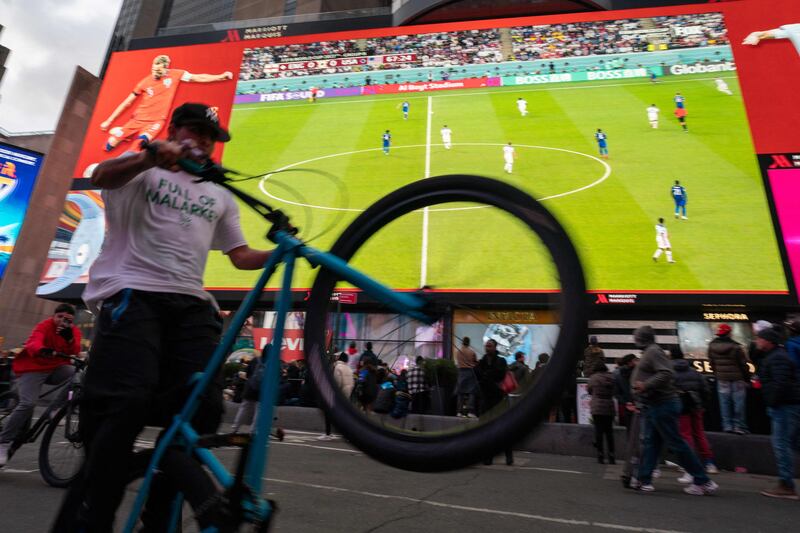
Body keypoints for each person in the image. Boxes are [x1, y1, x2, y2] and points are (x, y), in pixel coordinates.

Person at [53, 103, 273, 532]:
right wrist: (150, 156)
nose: (203, 140)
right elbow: (101, 176)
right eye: (194, 130)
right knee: (127, 402)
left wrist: (279, 253)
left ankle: (160, 513)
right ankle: (91, 515)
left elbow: (241, 255)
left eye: (211, 136)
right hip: (133, 294)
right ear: (174, 131)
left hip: (191, 305)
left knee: (204, 413)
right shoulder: (143, 170)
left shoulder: (219, 195)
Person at [629, 326, 717, 495]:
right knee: (651, 444)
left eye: (636, 337)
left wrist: (645, 385)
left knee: (676, 443)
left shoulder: (653, 352)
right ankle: (643, 480)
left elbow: (666, 373)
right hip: (655, 404)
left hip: (663, 404)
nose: (635, 340)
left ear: (642, 338)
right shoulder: (651, 351)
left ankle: (703, 481)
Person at [0, 304, 81, 467]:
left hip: (55, 369)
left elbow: (76, 350)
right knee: (28, 403)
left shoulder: (72, 331)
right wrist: (42, 349)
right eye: (60, 317)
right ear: (54, 316)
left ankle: (55, 410)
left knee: (77, 374)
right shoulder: (44, 325)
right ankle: (3, 443)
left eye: (68, 320)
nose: (62, 322)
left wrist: (69, 338)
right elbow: (33, 342)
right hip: (32, 368)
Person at [100, 55, 233, 152]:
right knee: (110, 144)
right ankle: (121, 134)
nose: (155, 72)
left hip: (156, 121)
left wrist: (220, 76)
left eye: (158, 70)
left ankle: (125, 167)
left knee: (139, 145)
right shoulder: (144, 82)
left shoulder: (175, 74)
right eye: (153, 69)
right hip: (138, 119)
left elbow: (197, 77)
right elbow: (127, 103)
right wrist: (108, 121)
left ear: (166, 68)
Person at [756, 326, 800, 499]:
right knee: (787, 444)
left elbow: (781, 383)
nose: (757, 342)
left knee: (782, 444)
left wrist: (772, 401)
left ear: (768, 341)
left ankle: (786, 484)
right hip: (786, 405)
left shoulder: (778, 358)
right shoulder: (776, 356)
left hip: (784, 406)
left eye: (760, 339)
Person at [671, 347, 718, 479]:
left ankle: (690, 464)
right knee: (699, 434)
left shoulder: (670, 372)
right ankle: (710, 463)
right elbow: (705, 389)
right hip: (696, 406)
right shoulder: (694, 371)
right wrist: (702, 403)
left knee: (685, 435)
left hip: (681, 408)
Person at [707, 323, 750, 434]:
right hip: (737, 379)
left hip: (722, 379)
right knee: (738, 403)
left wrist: (717, 374)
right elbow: (743, 364)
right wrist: (747, 378)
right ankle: (739, 426)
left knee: (724, 403)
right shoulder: (736, 347)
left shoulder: (711, 346)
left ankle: (727, 426)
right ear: (730, 333)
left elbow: (711, 364)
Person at [476, 339, 513, 465]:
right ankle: (488, 456)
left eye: (490, 346)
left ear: (495, 347)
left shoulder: (501, 360)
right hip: (486, 398)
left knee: (503, 428)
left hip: (499, 398)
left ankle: (509, 455)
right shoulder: (482, 362)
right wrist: (482, 373)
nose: (487, 348)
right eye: (486, 346)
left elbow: (500, 374)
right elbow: (478, 376)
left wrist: (487, 374)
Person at [588, 360, 616, 464]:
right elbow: (615, 390)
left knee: (599, 431)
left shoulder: (593, 378)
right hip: (609, 406)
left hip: (597, 407)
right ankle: (612, 455)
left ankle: (600, 455)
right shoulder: (612, 377)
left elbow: (589, 390)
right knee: (609, 432)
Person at [454, 337, 478, 418]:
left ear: (462, 342)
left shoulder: (458, 352)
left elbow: (458, 362)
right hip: (470, 372)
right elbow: (475, 362)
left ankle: (459, 412)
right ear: (469, 343)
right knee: (471, 392)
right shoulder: (472, 352)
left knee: (460, 393)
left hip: (460, 372)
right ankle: (470, 412)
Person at [613, 354, 638, 431]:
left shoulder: (617, 374)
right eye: (636, 360)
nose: (638, 362)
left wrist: (626, 402)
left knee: (629, 429)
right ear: (630, 362)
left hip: (626, 406)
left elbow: (616, 393)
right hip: (638, 405)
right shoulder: (638, 373)